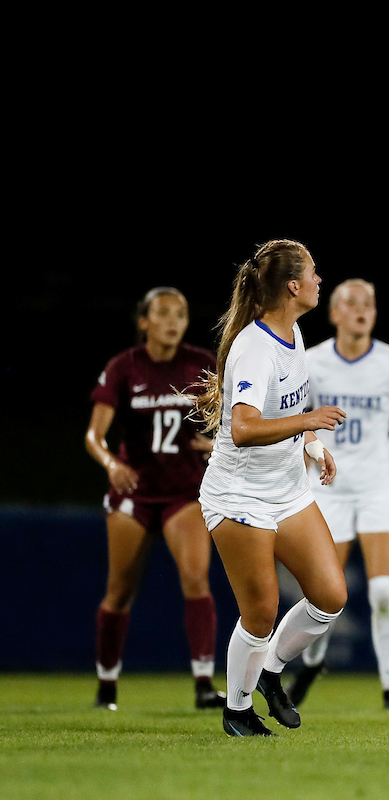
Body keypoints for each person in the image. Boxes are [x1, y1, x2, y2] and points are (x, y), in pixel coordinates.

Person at [194, 239, 349, 737]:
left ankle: (271, 673)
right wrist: (310, 420)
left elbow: (289, 409)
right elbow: (243, 428)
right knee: (259, 613)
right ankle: (237, 709)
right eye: (314, 272)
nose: (320, 280)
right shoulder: (256, 348)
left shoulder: (293, 331)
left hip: (285, 489)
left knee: (329, 596)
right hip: (239, 494)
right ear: (293, 286)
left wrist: (311, 443)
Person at [284, 278, 389, 712]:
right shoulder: (311, 363)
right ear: (334, 313)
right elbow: (298, 427)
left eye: (369, 304)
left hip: (378, 484)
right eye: (351, 303)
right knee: (324, 594)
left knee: (383, 592)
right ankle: (313, 662)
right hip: (328, 485)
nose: (361, 310)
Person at [84, 287, 225, 711]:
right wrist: (111, 464)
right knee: (120, 589)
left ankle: (203, 683)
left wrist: (219, 443)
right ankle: (106, 685)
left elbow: (237, 417)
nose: (173, 321)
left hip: (185, 491)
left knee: (196, 579)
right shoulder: (124, 367)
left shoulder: (203, 364)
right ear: (143, 321)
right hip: (137, 491)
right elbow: (94, 436)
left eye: (180, 313)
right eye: (162, 313)